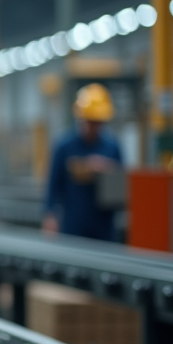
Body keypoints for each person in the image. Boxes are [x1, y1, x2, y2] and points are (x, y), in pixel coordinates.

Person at [43, 83, 124, 241]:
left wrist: (107, 170)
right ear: (80, 118)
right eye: (89, 121)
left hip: (104, 227)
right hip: (73, 226)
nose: (92, 127)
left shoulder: (112, 148)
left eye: (97, 122)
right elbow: (53, 184)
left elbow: (120, 193)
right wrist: (50, 216)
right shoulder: (64, 147)